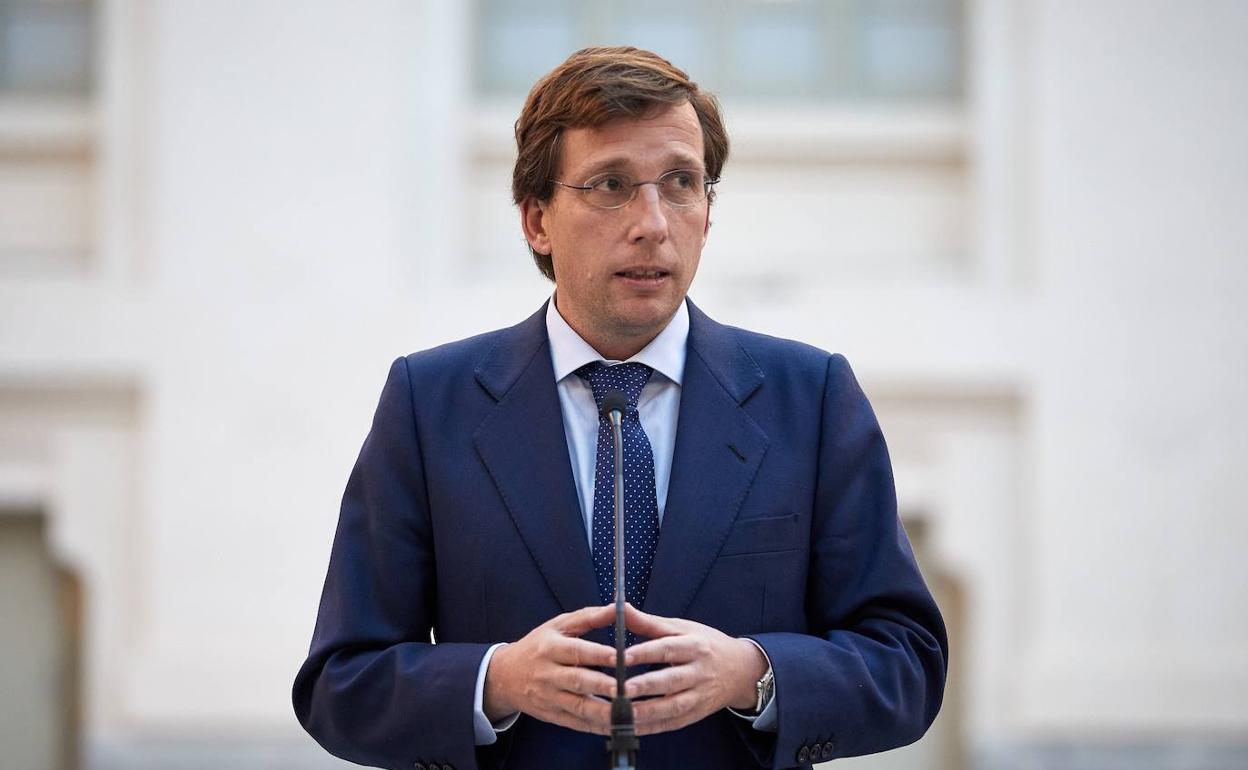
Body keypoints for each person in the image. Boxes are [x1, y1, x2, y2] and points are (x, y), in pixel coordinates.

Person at [293, 46, 947, 770]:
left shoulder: (810, 397)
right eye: (611, 185)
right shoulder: (429, 403)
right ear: (536, 219)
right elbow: (341, 683)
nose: (653, 223)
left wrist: (752, 672)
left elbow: (907, 662)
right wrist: (496, 681)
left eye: (681, 184)